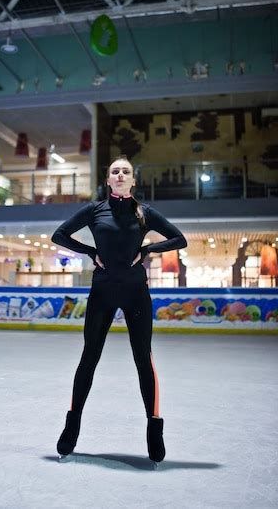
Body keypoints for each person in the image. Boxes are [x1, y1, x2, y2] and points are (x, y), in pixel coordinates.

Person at [51, 155, 187, 462]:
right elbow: (59, 235)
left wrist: (149, 248)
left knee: (144, 359)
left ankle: (154, 431)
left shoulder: (145, 213)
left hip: (136, 293)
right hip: (102, 292)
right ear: (108, 179)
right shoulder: (94, 210)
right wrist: (90, 252)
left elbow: (180, 239)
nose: (121, 174)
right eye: (115, 171)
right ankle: (71, 427)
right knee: (89, 358)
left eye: (126, 171)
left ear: (133, 180)